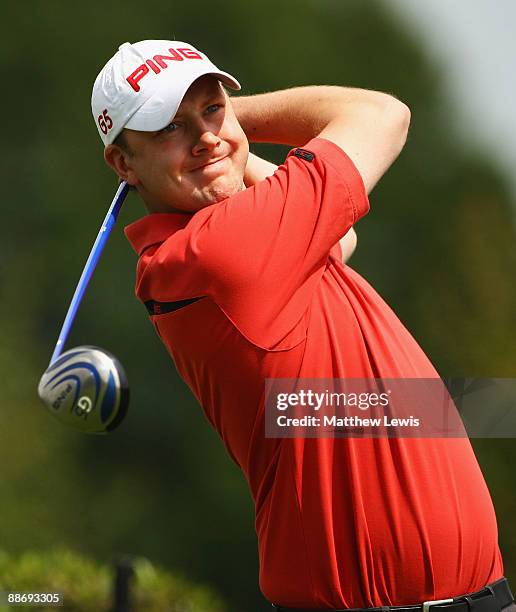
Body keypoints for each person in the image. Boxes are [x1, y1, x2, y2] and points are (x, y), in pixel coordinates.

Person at [91, 40, 514, 611]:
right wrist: (235, 126)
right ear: (123, 163)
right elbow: (383, 114)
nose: (205, 134)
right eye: (167, 126)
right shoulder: (221, 252)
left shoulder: (240, 246)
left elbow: (341, 240)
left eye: (212, 107)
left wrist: (221, 147)